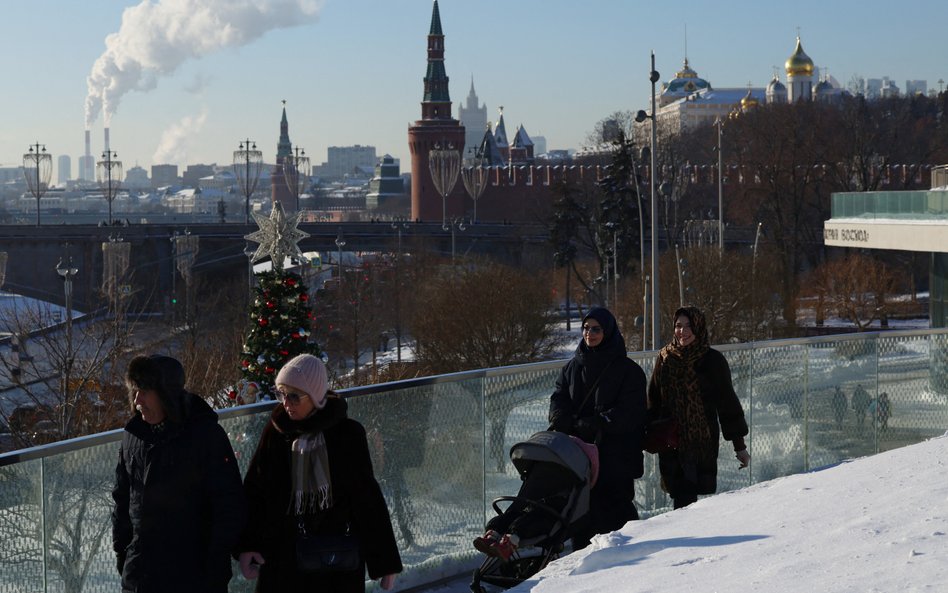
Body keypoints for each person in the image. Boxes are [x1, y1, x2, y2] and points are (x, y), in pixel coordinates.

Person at [236, 354, 402, 592]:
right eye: (281, 393)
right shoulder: (276, 433)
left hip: (335, 560)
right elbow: (255, 490)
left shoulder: (347, 434)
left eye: (294, 396)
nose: (286, 403)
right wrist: (248, 544)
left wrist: (384, 562)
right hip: (283, 560)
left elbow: (366, 498)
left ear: (315, 396)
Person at [111, 354, 246, 593]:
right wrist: (123, 552)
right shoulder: (133, 435)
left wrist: (214, 568)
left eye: (144, 391)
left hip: (193, 577)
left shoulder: (205, 435)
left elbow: (228, 503)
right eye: (135, 391)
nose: (137, 400)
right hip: (140, 577)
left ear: (166, 394)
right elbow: (122, 499)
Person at [547, 306, 647, 549]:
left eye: (596, 329)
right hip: (579, 457)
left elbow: (631, 412)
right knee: (582, 516)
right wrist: (561, 417)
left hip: (615, 459)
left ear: (608, 331)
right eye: (585, 328)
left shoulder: (628, 371)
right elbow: (559, 396)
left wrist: (599, 422)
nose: (588, 333)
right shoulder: (572, 367)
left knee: (615, 517)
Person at [647, 306, 750, 510]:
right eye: (678, 326)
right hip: (670, 440)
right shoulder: (665, 358)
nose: (682, 331)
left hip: (700, 442)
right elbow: (653, 399)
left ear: (698, 327)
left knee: (686, 496)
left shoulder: (712, 360)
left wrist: (739, 446)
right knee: (679, 495)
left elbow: (727, 404)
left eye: (688, 326)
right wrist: (647, 433)